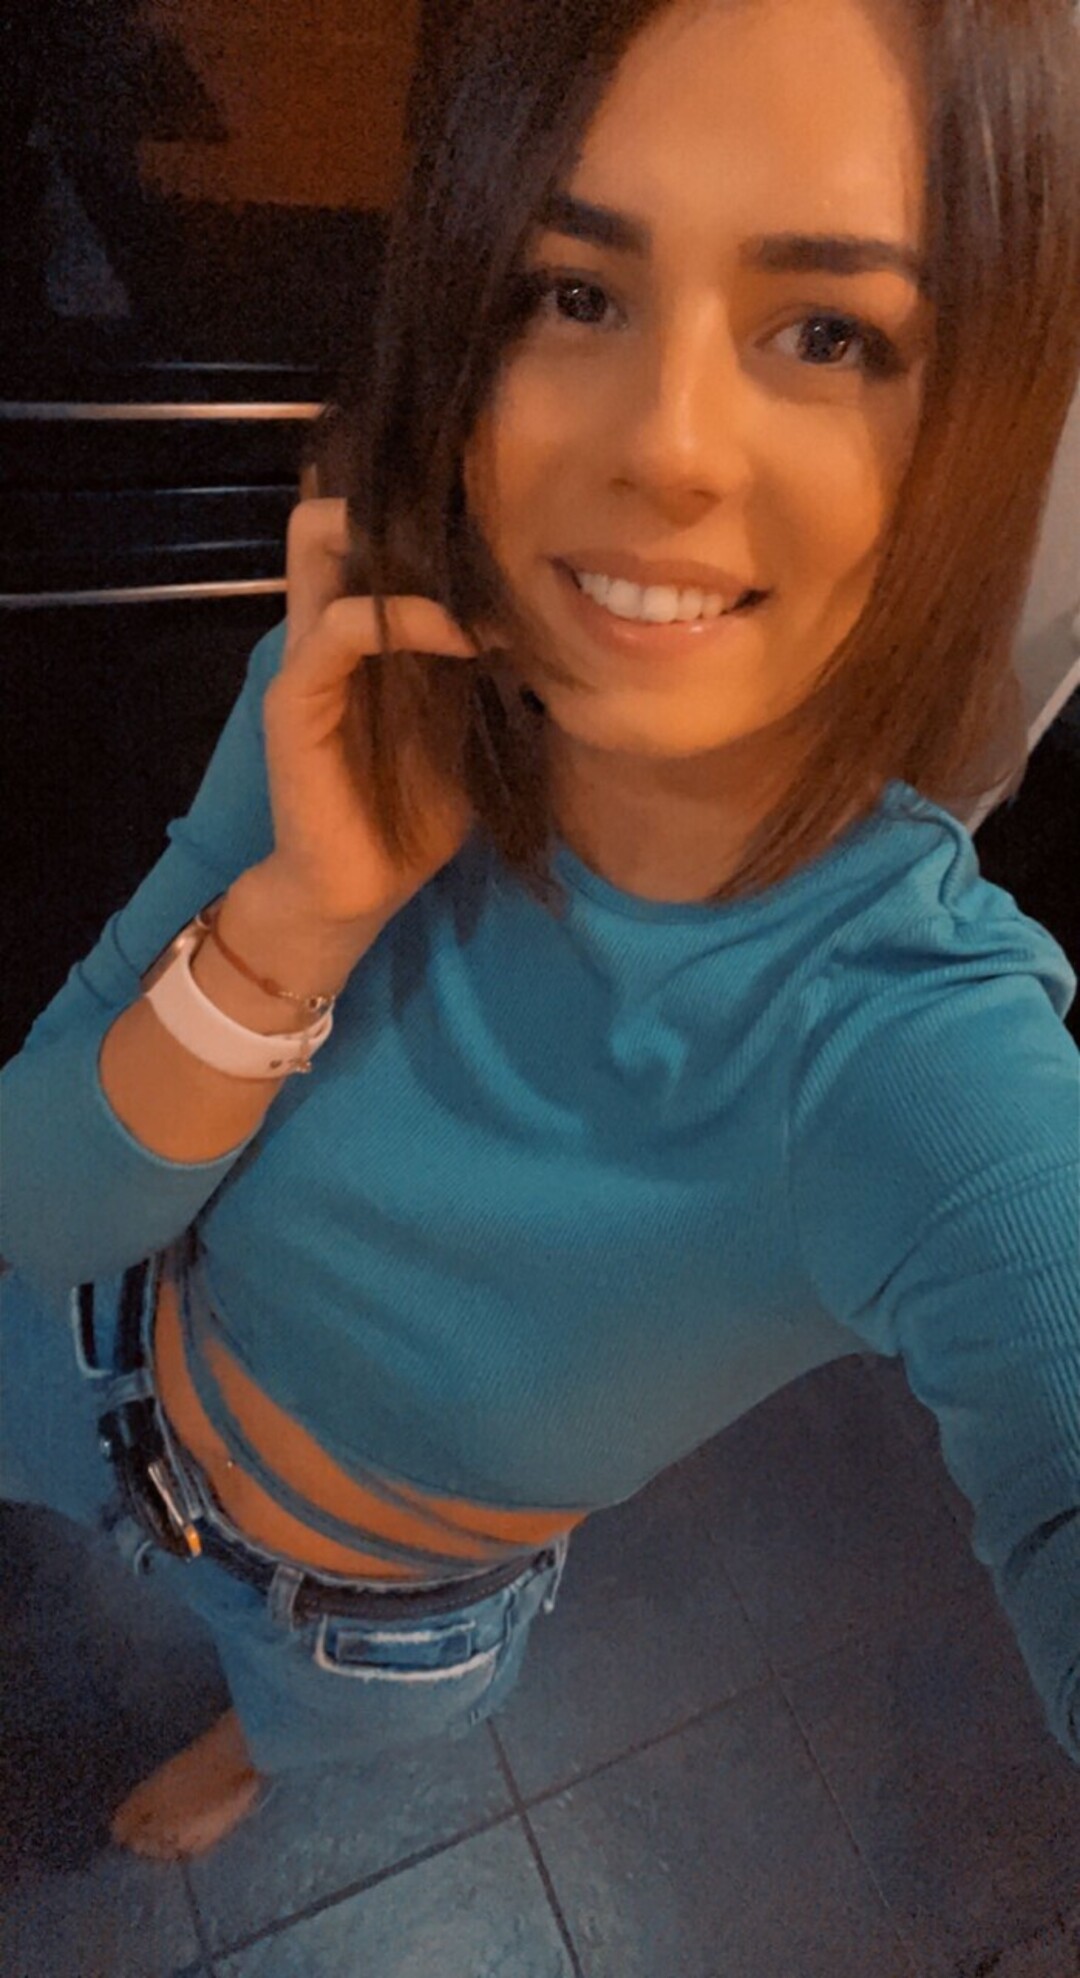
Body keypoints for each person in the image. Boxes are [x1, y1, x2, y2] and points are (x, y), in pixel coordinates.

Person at [3, 0, 1079, 1864]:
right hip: (97, 1355)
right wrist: (298, 916)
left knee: (290, 1739)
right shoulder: (362, 706)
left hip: (362, 1629)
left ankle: (254, 1757)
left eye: (827, 332)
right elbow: (36, 1208)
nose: (664, 447)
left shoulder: (921, 1047)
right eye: (576, 293)